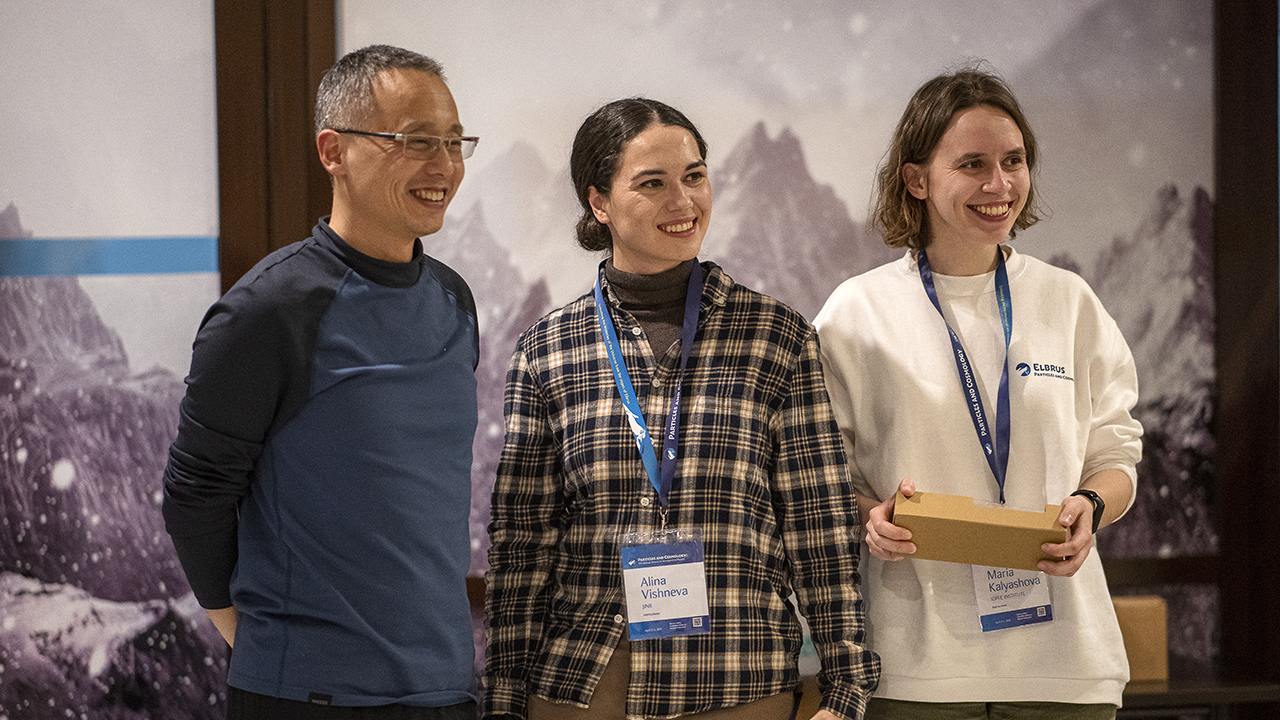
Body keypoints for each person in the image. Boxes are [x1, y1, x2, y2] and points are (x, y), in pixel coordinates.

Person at [483, 98, 880, 720]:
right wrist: (504, 700)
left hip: (739, 684)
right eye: (652, 183)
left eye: (694, 176)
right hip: (586, 686)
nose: (683, 201)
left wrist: (846, 689)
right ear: (599, 202)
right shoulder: (549, 350)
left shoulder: (776, 337)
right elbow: (522, 544)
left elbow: (819, 526)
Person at [161, 44, 481, 719]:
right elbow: (195, 495)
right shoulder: (270, 310)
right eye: (417, 141)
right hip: (308, 695)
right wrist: (254, 641)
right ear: (334, 151)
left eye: (454, 142)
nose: (444, 165)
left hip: (447, 689)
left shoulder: (454, 298)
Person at [813, 66, 1143, 719]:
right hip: (916, 668)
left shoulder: (1068, 301)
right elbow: (817, 474)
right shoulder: (857, 313)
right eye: (972, 165)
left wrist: (1090, 505)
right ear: (916, 180)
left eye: (1013, 161)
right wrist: (870, 515)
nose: (1000, 185)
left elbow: (1117, 453)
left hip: (1065, 669)